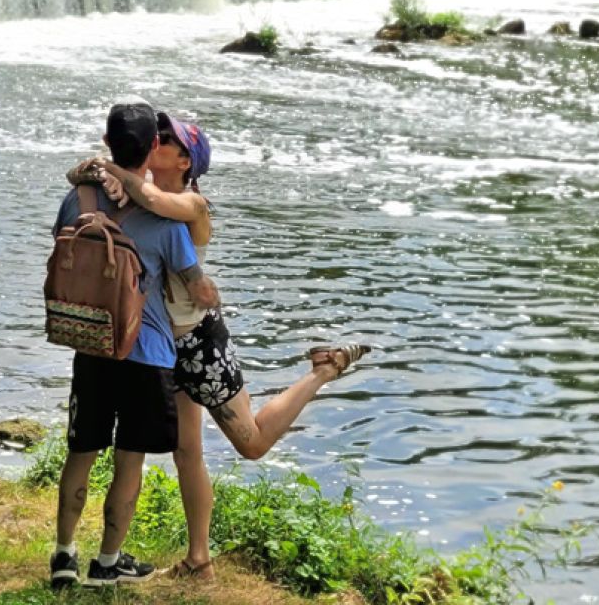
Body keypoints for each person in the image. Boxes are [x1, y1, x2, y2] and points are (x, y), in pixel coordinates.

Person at [73, 111, 367, 582]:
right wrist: (97, 170)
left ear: (185, 160)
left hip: (199, 342)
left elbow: (148, 196)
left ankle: (324, 369)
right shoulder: (133, 193)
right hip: (158, 346)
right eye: (155, 136)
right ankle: (199, 561)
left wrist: (110, 167)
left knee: (250, 443)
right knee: (186, 453)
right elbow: (97, 185)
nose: (155, 142)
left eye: (165, 139)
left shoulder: (194, 205)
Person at [50, 103, 220, 589]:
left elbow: (63, 248)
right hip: (147, 354)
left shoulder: (78, 197)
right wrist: (209, 293)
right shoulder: (165, 223)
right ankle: (108, 561)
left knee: (80, 453)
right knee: (130, 460)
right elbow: (193, 284)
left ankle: (64, 555)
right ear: (149, 151)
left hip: (92, 342)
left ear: (106, 143)